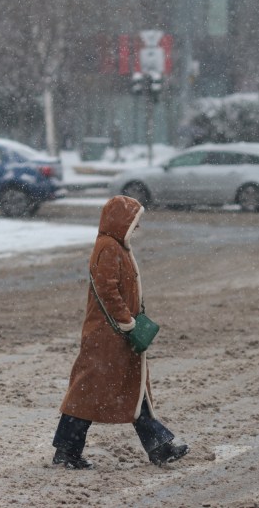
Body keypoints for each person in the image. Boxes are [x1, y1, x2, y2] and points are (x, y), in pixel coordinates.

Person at [51, 195, 189, 469]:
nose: (137, 228)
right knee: (88, 392)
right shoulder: (108, 248)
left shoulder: (116, 246)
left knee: (134, 389)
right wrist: (127, 321)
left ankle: (159, 447)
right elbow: (107, 290)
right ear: (120, 221)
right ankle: (67, 451)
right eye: (134, 221)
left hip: (116, 336)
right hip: (106, 337)